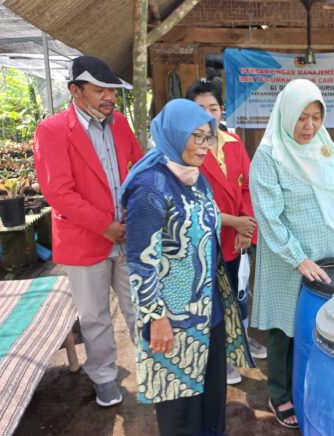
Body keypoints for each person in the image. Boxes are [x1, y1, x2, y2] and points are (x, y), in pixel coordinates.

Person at [120, 99, 252, 436]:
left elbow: (205, 223)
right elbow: (140, 262)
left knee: (210, 406)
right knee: (180, 413)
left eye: (209, 137)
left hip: (210, 313)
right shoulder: (150, 187)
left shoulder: (195, 177)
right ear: (175, 135)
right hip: (173, 322)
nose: (205, 146)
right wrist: (156, 317)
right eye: (197, 137)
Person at [249, 79, 334, 428]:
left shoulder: (325, 147)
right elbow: (268, 218)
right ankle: (280, 392)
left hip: (331, 256)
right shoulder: (269, 156)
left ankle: (312, 383)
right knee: (285, 328)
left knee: (324, 325)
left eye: (316, 116)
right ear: (287, 115)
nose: (310, 126)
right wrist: (298, 258)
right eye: (302, 117)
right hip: (290, 261)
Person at [34, 55, 144, 407]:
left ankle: (156, 368)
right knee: (95, 315)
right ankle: (104, 376)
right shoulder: (52, 130)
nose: (108, 97)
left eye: (111, 90)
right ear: (75, 91)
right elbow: (59, 193)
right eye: (99, 90)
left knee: (140, 307)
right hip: (86, 240)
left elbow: (139, 170)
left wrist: (136, 216)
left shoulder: (120, 125)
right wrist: (105, 226)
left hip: (128, 235)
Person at [186, 79, 268, 386]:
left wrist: (246, 224)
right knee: (215, 301)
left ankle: (242, 341)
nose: (208, 114)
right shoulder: (187, 148)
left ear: (222, 110)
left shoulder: (233, 142)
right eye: (199, 109)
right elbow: (192, 205)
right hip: (206, 241)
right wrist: (234, 222)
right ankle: (222, 356)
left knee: (239, 292)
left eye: (213, 107)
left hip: (237, 237)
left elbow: (249, 186)